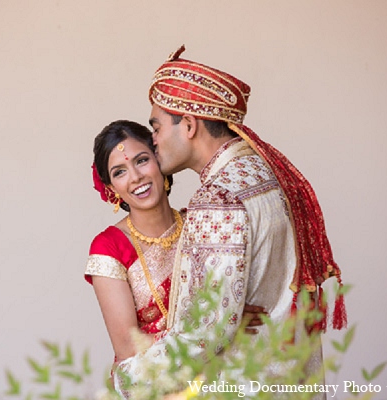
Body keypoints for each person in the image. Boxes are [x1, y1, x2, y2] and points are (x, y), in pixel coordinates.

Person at [113, 46, 347, 398]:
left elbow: (206, 331)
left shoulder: (218, 198)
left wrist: (129, 379)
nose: (154, 140)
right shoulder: (270, 174)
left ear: (189, 125)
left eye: (157, 127)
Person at [85, 120, 266, 371]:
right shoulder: (109, 246)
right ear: (111, 188)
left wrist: (227, 323)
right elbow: (128, 346)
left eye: (141, 160)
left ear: (160, 161)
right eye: (119, 172)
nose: (136, 177)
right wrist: (221, 329)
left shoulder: (200, 226)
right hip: (154, 381)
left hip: (217, 374)